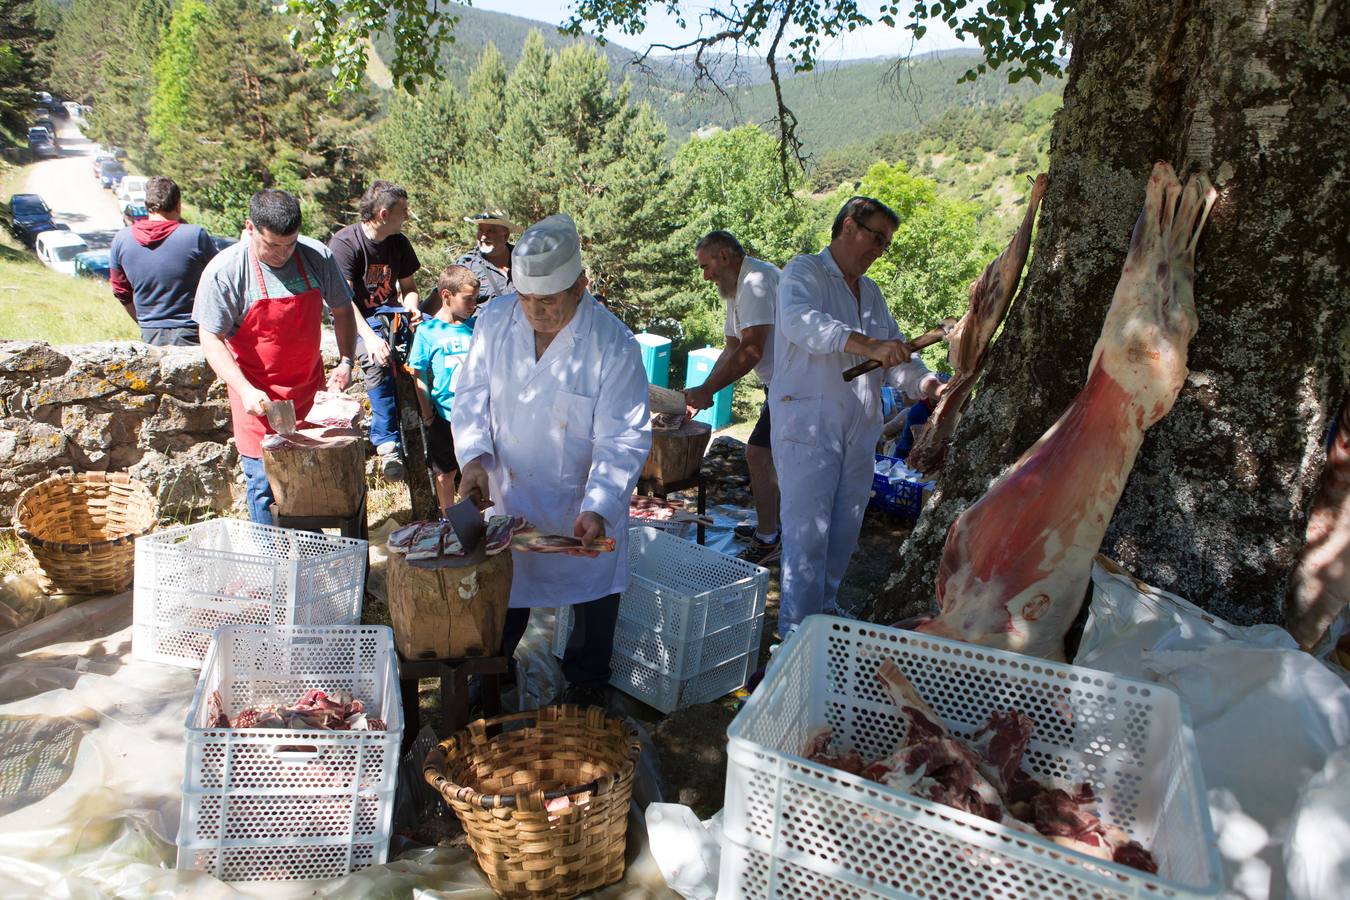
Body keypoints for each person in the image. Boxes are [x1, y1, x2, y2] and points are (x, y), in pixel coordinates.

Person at [454, 214, 650, 706]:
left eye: (549, 301)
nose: (535, 312)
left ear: (581, 284)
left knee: (592, 602)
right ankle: (487, 683)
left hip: (578, 502)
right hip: (510, 493)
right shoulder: (498, 319)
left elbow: (621, 438)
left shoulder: (613, 344)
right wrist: (475, 459)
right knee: (503, 601)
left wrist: (599, 506)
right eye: (526, 299)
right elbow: (472, 393)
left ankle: (587, 689)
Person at [771, 196, 930, 636]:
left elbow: (896, 357)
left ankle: (824, 616)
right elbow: (802, 323)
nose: (879, 249)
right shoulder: (804, 272)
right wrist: (867, 345)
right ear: (846, 226)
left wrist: (928, 385)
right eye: (875, 237)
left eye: (886, 243)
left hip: (859, 430)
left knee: (843, 530)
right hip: (807, 425)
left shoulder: (871, 293)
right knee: (806, 536)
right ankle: (794, 635)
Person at [195, 190, 358, 524]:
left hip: (309, 396)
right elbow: (210, 338)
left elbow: (342, 311)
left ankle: (316, 558)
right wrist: (243, 390)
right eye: (273, 245)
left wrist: (345, 361)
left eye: (291, 244)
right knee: (264, 487)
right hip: (257, 401)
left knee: (316, 485)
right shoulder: (225, 272)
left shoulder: (317, 257)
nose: (283, 253)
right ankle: (274, 565)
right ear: (250, 228)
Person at [685, 230, 783, 565]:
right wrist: (704, 389)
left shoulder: (757, 280)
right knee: (769, 456)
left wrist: (707, 390)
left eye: (706, 265)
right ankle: (772, 527)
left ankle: (770, 537)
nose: (705, 275)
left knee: (758, 453)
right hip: (780, 384)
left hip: (794, 383)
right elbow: (732, 347)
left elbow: (753, 350)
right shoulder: (734, 287)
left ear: (724, 256)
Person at [328, 180, 422, 481]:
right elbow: (342, 303)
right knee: (378, 358)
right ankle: (387, 444)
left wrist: (413, 308)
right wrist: (369, 338)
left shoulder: (398, 243)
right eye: (402, 211)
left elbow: (408, 289)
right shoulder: (345, 244)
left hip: (390, 313)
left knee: (432, 342)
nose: (406, 217)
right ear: (384, 214)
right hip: (354, 319)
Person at [108, 175, 218, 346]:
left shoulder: (121, 239)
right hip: (193, 333)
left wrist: (144, 322)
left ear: (147, 206)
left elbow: (120, 291)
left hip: (150, 335)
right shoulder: (195, 236)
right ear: (178, 204)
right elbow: (220, 280)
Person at [408, 265, 479, 509]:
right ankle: (449, 520)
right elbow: (418, 375)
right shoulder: (428, 332)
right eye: (468, 299)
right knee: (444, 472)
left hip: (475, 415)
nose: (473, 305)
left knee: (476, 468)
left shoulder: (476, 328)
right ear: (446, 296)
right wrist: (428, 414)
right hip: (443, 414)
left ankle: (479, 517)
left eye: (476, 299)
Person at [455, 210, 519, 305]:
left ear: (506, 235)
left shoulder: (523, 259)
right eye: (480, 229)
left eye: (491, 231)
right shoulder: (466, 265)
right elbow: (444, 301)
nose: (483, 236)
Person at [889, 372, 949, 459]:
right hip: (903, 462)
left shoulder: (940, 411)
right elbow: (921, 444)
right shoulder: (919, 410)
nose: (940, 395)